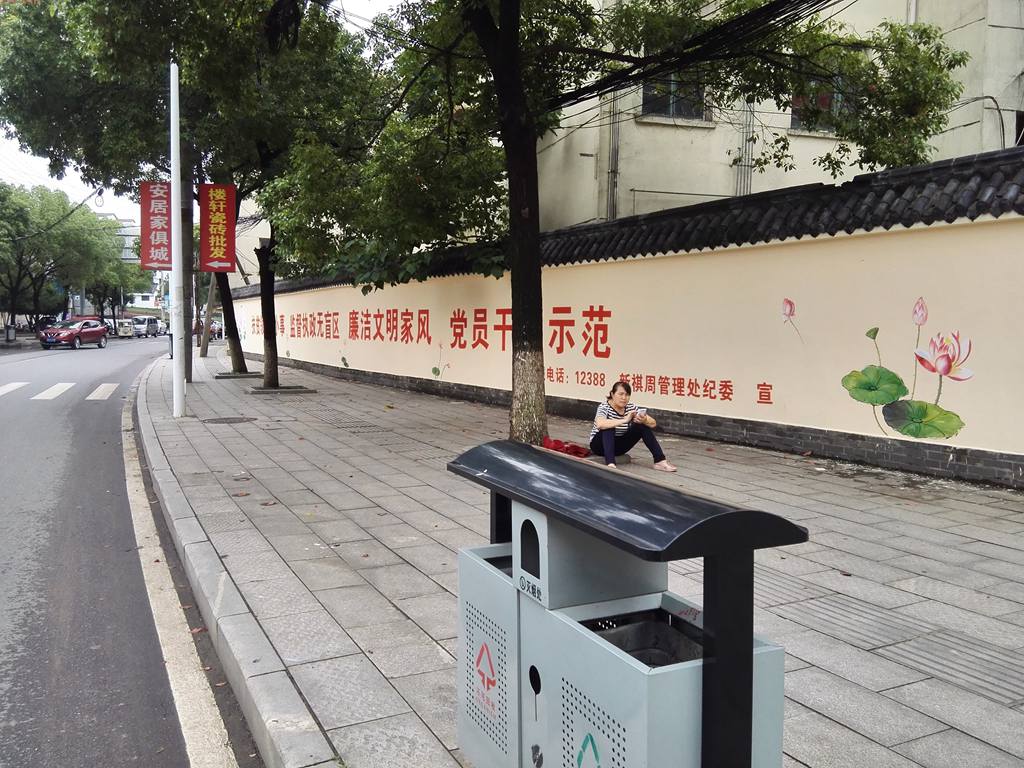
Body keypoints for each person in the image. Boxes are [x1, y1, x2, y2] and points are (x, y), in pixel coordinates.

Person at [589, 381, 677, 472]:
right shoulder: (604, 407)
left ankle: (660, 461)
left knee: (641, 425)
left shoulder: (630, 407)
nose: (624, 398)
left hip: (618, 447)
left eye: (627, 395)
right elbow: (600, 424)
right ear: (612, 394)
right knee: (608, 426)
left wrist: (644, 420)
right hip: (599, 446)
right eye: (620, 394)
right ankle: (610, 463)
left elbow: (653, 423)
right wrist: (625, 420)